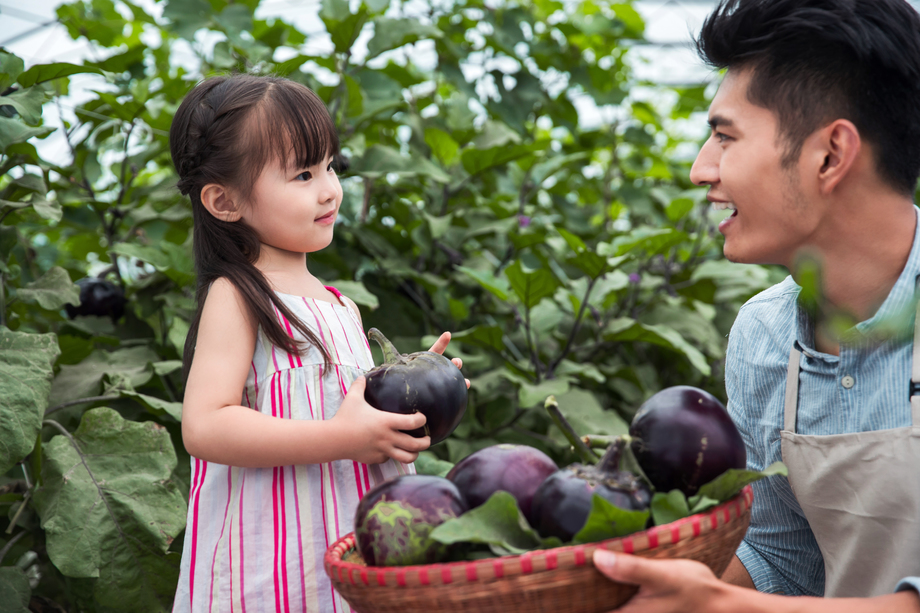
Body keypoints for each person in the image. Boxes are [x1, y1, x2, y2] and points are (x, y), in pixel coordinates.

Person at [592, 0, 920, 611]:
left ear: (830, 154)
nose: (699, 169)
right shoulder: (765, 336)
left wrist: (718, 604)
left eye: (724, 136)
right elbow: (782, 555)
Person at [167, 74, 466, 613]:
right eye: (303, 174)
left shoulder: (341, 305)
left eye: (330, 165)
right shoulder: (239, 295)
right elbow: (205, 425)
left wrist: (423, 392)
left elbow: (356, 422)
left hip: (352, 561)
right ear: (224, 200)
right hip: (273, 567)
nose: (329, 188)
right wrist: (342, 437)